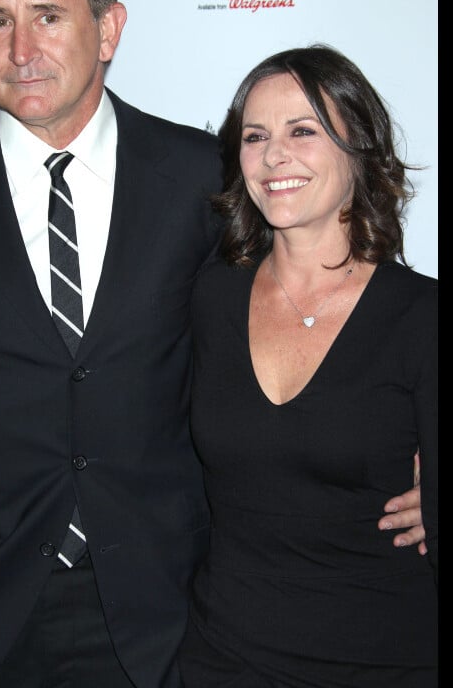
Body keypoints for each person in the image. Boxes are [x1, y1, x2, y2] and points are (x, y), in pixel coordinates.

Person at [0, 0, 426, 688]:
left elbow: (311, 320)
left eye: (48, 16)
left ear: (109, 29)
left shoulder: (207, 180)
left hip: (157, 614)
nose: (22, 49)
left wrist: (410, 451)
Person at [177, 44, 438, 687]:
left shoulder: (422, 316)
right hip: (223, 657)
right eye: (255, 136)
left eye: (303, 131)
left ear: (362, 151)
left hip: (385, 661)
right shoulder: (209, 298)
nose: (273, 156)